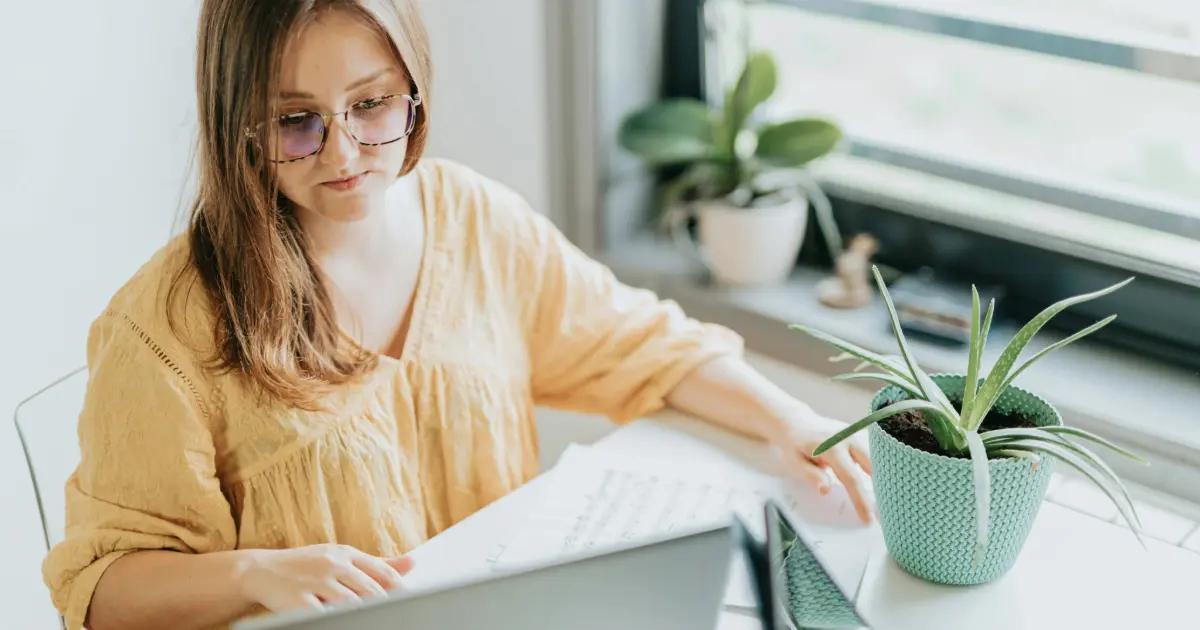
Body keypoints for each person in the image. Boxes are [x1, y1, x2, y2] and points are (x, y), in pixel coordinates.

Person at [42, 1, 872, 628]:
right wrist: (255, 573)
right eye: (296, 122)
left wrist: (799, 422)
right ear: (237, 125)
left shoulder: (474, 221)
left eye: (372, 106)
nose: (344, 154)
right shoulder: (165, 329)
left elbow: (643, 344)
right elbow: (100, 585)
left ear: (414, 88)